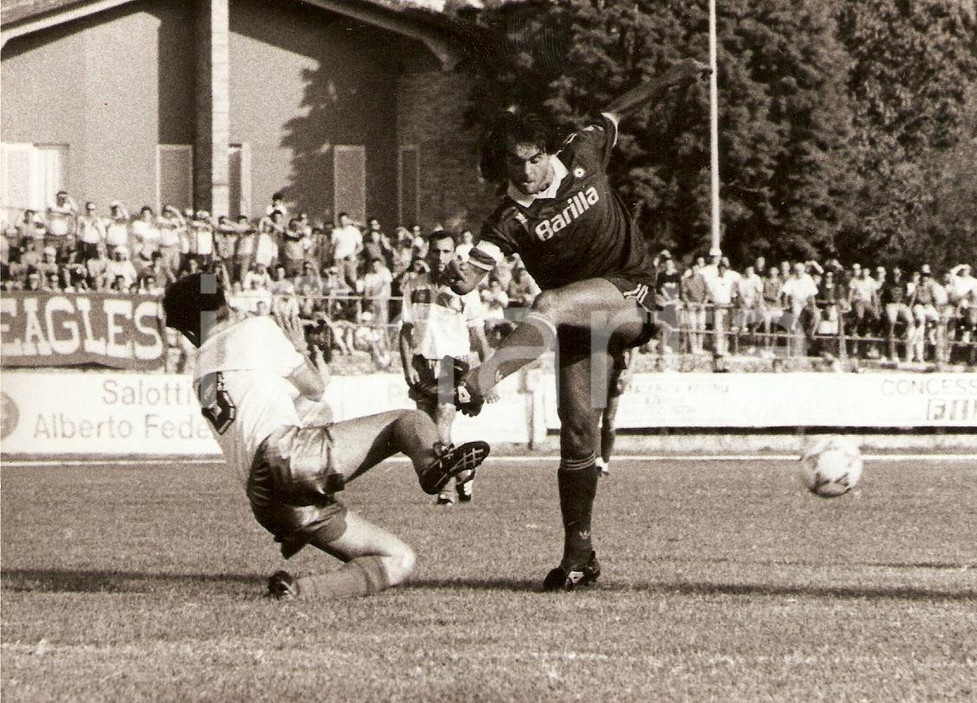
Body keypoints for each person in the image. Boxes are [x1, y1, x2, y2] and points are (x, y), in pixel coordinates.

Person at [445, 58, 708, 591]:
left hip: (631, 295)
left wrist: (677, 72)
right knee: (578, 431)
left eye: (534, 160)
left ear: (548, 151)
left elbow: (620, 107)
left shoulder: (584, 150)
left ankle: (482, 380)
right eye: (514, 165)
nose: (525, 172)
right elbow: (469, 278)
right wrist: (453, 275)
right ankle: (579, 556)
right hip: (580, 323)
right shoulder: (507, 219)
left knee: (545, 303)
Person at [161, 272, 489, 600]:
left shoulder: (200, 371)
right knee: (408, 420)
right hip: (287, 457)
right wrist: (302, 348)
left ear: (190, 332)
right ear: (225, 302)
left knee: (398, 558)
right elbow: (314, 387)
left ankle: (298, 591)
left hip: (266, 500)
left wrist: (316, 358)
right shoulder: (255, 329)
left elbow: (306, 404)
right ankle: (435, 465)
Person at [399, 230, 492, 506]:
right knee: (429, 432)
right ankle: (464, 472)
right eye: (436, 251)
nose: (441, 257)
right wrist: (407, 368)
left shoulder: (465, 289)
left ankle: (446, 490)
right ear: (428, 253)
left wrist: (487, 379)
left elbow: (479, 338)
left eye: (446, 252)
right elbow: (405, 331)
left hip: (454, 362)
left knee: (443, 417)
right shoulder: (414, 285)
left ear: (455, 254)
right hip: (422, 362)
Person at [596, 347, 632, 477]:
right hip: (598, 366)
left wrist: (629, 371)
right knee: (593, 417)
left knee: (609, 419)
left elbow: (635, 345)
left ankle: (605, 462)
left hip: (618, 369)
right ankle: (597, 459)